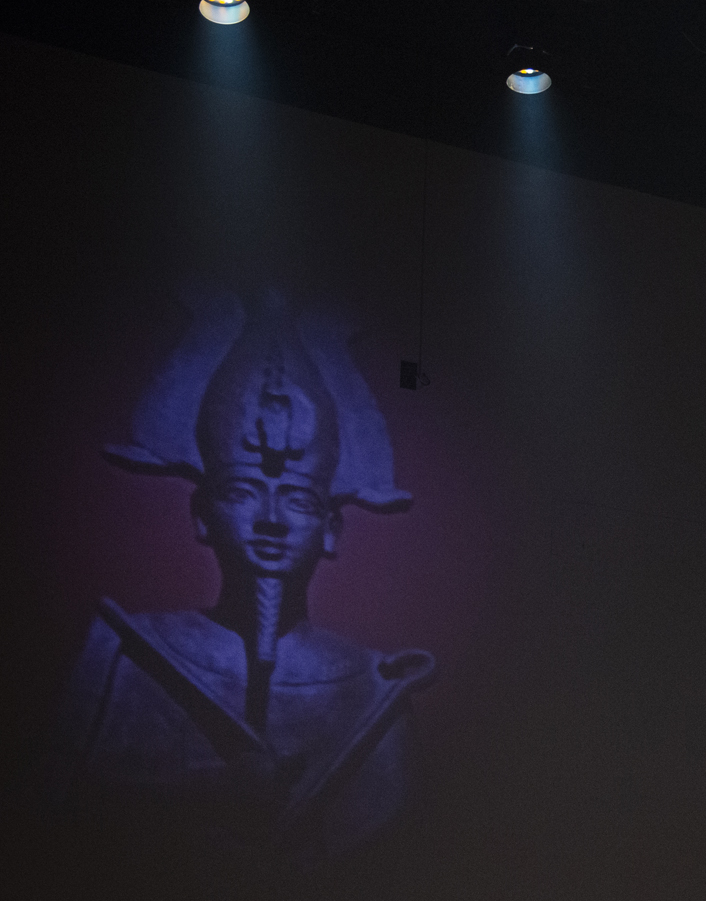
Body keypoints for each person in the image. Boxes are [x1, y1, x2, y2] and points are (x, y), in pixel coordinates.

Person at [41, 288, 434, 860]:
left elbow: (400, 867)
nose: (270, 521)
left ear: (331, 531)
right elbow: (40, 824)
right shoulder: (120, 655)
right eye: (241, 492)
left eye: (299, 501)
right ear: (201, 515)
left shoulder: (374, 689)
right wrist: (194, 793)